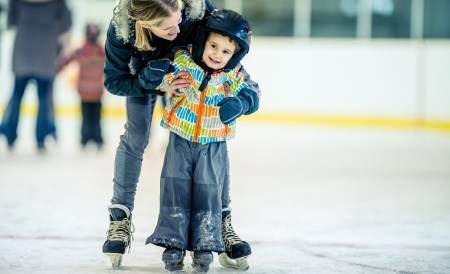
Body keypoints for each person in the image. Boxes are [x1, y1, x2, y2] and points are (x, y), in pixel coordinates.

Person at [101, 0, 259, 271]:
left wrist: (240, 96)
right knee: (136, 136)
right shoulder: (123, 29)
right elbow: (114, 81)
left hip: (188, 67)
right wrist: (154, 83)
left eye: (179, 21)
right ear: (145, 25)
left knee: (212, 139)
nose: (177, 28)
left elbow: (224, 38)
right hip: (145, 73)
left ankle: (222, 223)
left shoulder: (196, 8)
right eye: (168, 27)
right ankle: (120, 219)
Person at [142, 9, 256, 272]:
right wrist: (154, 73)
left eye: (225, 51)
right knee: (175, 190)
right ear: (203, 40)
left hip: (213, 144)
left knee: (208, 193)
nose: (217, 54)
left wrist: (241, 102)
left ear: (234, 55)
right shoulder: (185, 62)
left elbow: (253, 91)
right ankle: (173, 242)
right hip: (180, 139)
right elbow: (163, 76)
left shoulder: (233, 74)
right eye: (213, 46)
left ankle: (205, 243)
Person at [0, 0, 72, 152]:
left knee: (17, 96)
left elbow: (10, 21)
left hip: (22, 52)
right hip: (46, 52)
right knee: (44, 99)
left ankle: (10, 136)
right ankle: (41, 137)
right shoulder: (58, 2)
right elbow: (67, 23)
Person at [58, 22, 105, 149]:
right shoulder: (101, 51)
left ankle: (87, 139)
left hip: (88, 90)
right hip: (93, 91)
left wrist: (57, 67)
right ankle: (95, 139)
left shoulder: (84, 50)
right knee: (95, 117)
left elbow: (64, 61)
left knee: (89, 117)